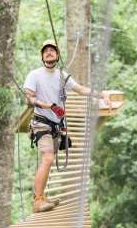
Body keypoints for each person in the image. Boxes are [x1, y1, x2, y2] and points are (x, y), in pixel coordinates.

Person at [23, 39, 112, 213]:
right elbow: (29, 99)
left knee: (48, 160)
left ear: (57, 55)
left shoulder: (62, 76)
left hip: (56, 126)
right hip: (41, 122)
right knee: (48, 158)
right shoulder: (34, 75)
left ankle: (42, 197)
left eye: (52, 50)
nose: (49, 52)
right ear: (42, 55)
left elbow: (81, 89)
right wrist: (47, 105)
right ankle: (38, 200)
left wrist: (101, 95)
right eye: (46, 51)